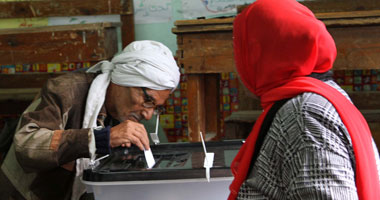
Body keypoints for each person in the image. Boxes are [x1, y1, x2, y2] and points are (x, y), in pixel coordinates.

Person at [229, 0, 380, 199]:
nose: (237, 60)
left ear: (262, 52)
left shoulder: (304, 115)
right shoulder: (324, 93)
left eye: (242, 48)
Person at [0, 40, 180, 200]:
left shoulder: (138, 118)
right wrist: (100, 138)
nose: (148, 114)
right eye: (148, 100)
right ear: (124, 80)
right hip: (23, 193)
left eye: (156, 107)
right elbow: (26, 144)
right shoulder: (66, 91)